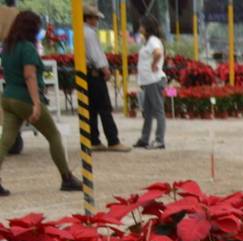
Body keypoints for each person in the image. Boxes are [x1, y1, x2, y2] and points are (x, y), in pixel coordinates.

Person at [0, 11, 83, 197]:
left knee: (5, 141)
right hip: (25, 99)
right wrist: (36, 103)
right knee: (53, 135)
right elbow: (29, 76)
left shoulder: (8, 47)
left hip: (8, 97)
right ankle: (67, 177)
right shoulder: (27, 48)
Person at [83, 4, 130, 152]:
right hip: (95, 74)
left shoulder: (80, 32)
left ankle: (94, 139)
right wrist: (105, 69)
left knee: (91, 109)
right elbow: (96, 55)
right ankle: (113, 140)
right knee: (104, 108)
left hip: (87, 74)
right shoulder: (89, 33)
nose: (96, 21)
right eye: (95, 18)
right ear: (88, 18)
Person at [134, 16, 166, 149]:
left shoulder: (153, 40)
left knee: (158, 111)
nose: (140, 27)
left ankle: (159, 140)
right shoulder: (147, 41)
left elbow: (158, 53)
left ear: (147, 27)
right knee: (147, 111)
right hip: (148, 81)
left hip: (154, 80)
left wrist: (154, 64)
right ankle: (144, 138)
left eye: (142, 25)